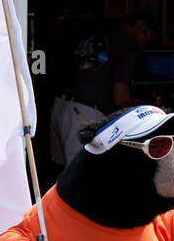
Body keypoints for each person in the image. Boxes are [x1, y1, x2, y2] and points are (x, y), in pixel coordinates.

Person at [49, 14, 155, 168]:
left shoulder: (100, 32)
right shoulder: (127, 44)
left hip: (61, 105)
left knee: (60, 170)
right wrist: (145, 108)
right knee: (80, 172)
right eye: (146, 39)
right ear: (140, 29)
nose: (143, 45)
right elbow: (120, 98)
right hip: (84, 113)